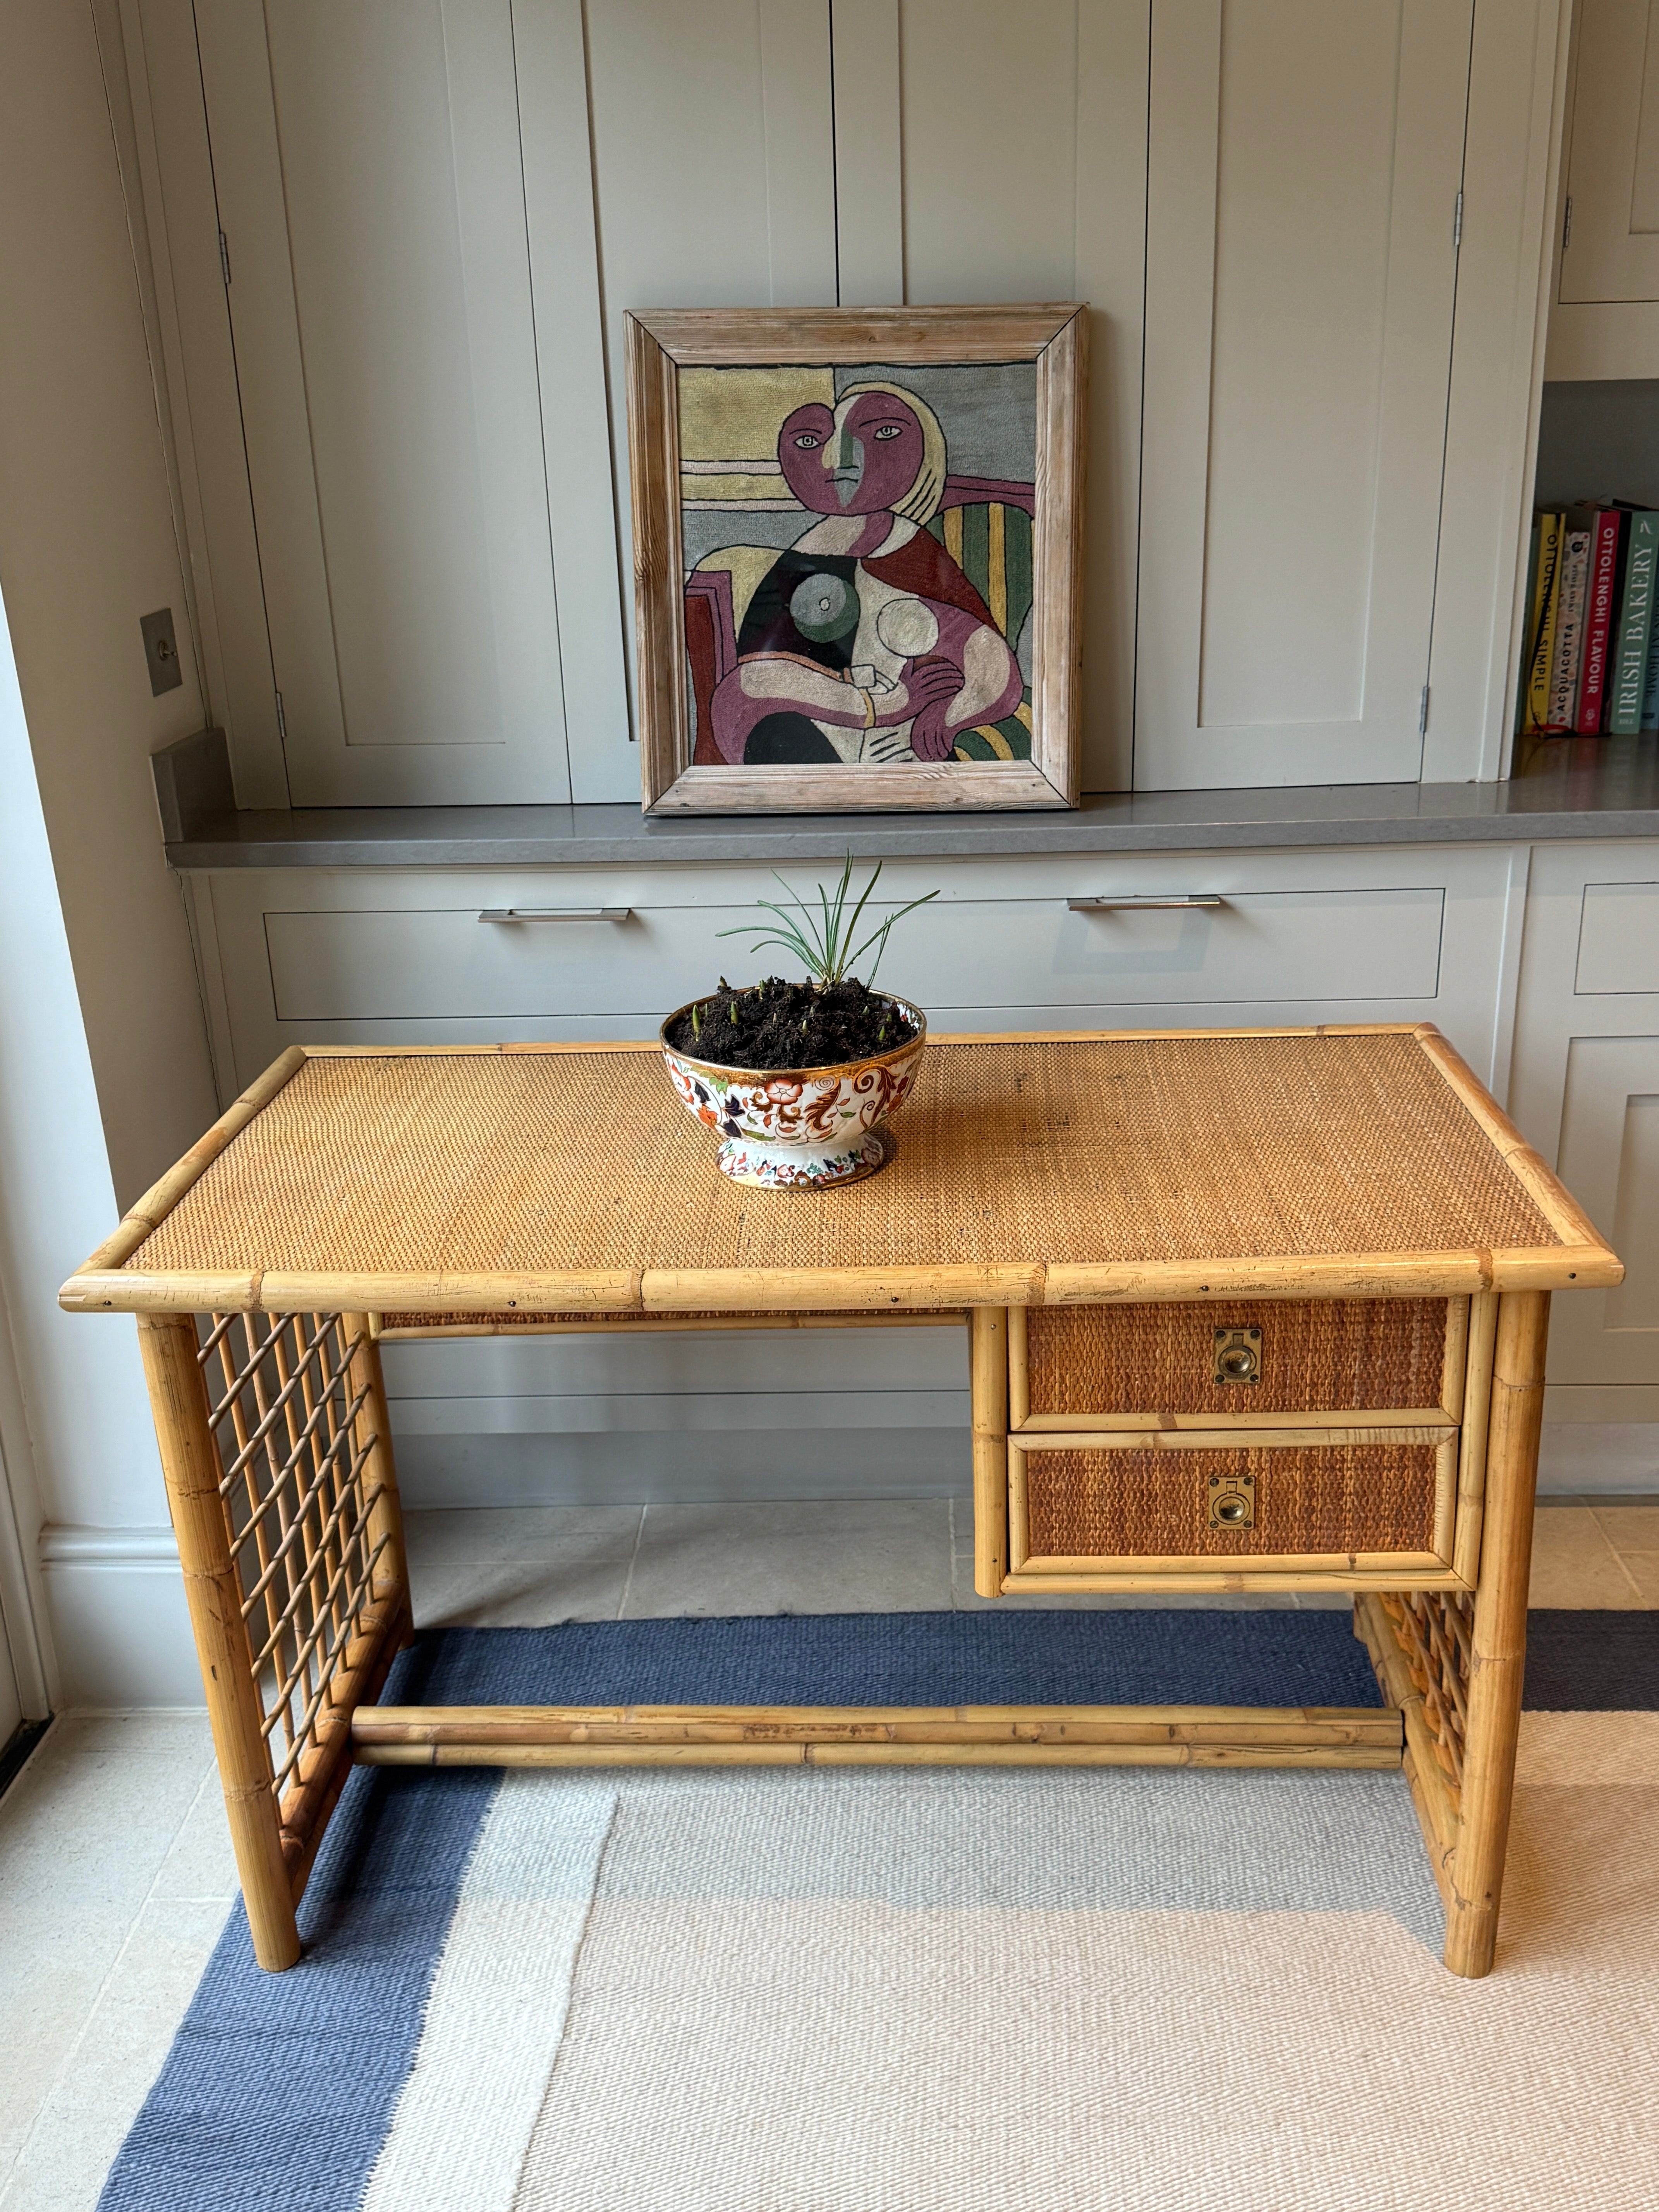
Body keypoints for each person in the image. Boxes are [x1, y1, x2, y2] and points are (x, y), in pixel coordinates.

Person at [699, 383, 1022, 766]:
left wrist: (948, 717)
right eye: (809, 441)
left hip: (904, 753)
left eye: (883, 434)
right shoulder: (804, 558)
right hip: (815, 742)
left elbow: (993, 666)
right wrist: (885, 704)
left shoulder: (913, 553)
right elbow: (752, 686)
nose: (840, 461)